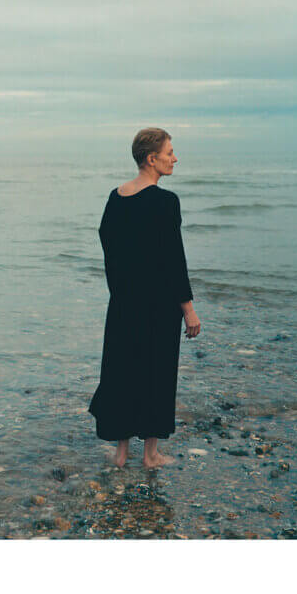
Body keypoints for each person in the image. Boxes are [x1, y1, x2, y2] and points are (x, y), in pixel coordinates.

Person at [88, 128, 201, 468]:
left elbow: (108, 244)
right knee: (156, 373)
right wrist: (189, 310)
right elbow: (173, 259)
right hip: (159, 306)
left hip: (124, 303)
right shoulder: (166, 202)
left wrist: (120, 290)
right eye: (169, 152)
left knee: (122, 371)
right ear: (151, 159)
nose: (174, 158)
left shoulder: (116, 196)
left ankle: (121, 454)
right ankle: (150, 455)